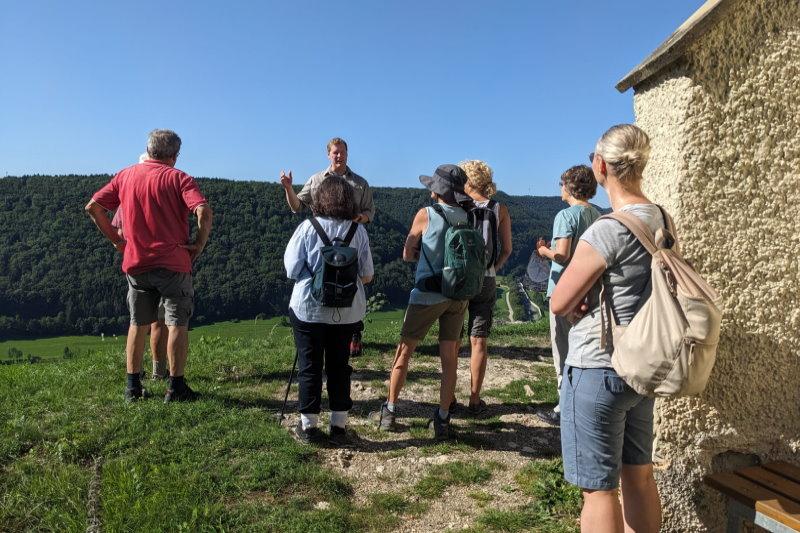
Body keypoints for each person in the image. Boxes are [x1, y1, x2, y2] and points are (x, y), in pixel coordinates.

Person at [551, 124, 662, 533]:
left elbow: (560, 301)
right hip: (643, 365)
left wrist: (582, 294)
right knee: (640, 475)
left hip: (599, 367)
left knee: (598, 490)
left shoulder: (609, 228)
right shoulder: (662, 220)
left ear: (600, 165)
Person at [85, 129, 213, 403]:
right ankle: (176, 388)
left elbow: (93, 207)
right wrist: (198, 245)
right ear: (175, 155)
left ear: (149, 149)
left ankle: (132, 387)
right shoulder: (179, 178)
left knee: (137, 324)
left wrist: (117, 241)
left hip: (136, 262)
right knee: (177, 322)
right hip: (173, 263)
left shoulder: (125, 175)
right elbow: (203, 211)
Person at [376, 164, 472, 440]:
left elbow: (407, 253)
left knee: (404, 352)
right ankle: (442, 417)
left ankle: (390, 410)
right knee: (450, 359)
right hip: (458, 295)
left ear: (437, 190)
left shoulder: (425, 214)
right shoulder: (467, 216)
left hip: (427, 294)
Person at [284, 176, 374, 446]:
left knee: (309, 366)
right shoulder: (357, 231)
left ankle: (309, 428)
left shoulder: (307, 228)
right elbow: (367, 275)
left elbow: (291, 269)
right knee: (339, 366)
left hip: (309, 310)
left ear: (320, 200)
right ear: (348, 200)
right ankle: (339, 425)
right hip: (347, 311)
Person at [279, 137, 374, 357]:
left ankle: (353, 337)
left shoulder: (360, 183)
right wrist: (288, 188)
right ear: (328, 155)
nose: (339, 156)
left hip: (351, 239)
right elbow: (297, 206)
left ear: (347, 154)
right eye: (335, 152)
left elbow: (370, 212)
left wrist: (362, 219)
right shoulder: (316, 179)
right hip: (322, 243)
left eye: (342, 152)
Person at [535, 165, 600, 425]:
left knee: (562, 348)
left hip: (564, 287)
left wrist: (544, 252)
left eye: (562, 184)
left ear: (570, 187)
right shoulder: (598, 215)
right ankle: (585, 400)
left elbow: (562, 253)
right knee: (584, 346)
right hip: (590, 288)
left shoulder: (565, 216)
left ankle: (564, 406)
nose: (560, 189)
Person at [458, 160, 512, 415]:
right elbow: (508, 249)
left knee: (451, 339)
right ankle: (474, 398)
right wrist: (495, 267)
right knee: (478, 340)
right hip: (486, 278)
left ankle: (447, 400)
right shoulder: (499, 209)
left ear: (467, 181)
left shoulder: (457, 206)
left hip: (458, 279)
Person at [110, 152, 169, 380]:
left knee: (139, 323)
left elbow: (119, 230)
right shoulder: (162, 191)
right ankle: (159, 371)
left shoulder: (129, 193)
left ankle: (135, 375)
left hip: (136, 264)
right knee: (160, 322)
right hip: (164, 263)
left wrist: (126, 245)